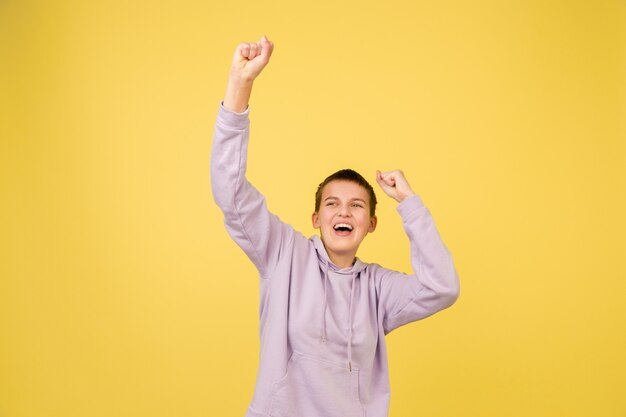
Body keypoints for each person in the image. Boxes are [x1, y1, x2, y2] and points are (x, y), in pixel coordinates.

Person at [211, 35, 460, 417]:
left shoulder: (378, 290)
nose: (343, 213)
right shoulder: (283, 254)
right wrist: (239, 85)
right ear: (316, 219)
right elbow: (230, 190)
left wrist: (410, 204)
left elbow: (442, 287)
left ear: (371, 223)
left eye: (356, 206)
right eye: (332, 204)